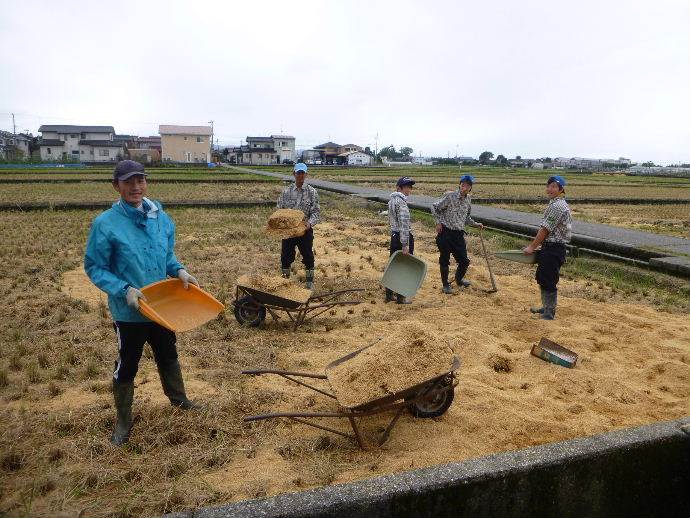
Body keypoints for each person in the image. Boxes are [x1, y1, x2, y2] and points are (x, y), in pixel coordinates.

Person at [84, 160, 200, 446]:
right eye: (128, 182)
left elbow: (167, 255)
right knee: (127, 364)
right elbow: (95, 267)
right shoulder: (106, 223)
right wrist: (124, 290)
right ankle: (123, 420)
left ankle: (179, 400)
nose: (136, 187)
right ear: (116, 186)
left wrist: (179, 270)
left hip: (162, 307)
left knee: (168, 353)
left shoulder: (159, 215)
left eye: (140, 180)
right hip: (130, 311)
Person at [522, 175, 572, 320]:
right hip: (550, 247)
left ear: (561, 189)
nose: (550, 189)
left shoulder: (558, 206)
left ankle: (549, 313)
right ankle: (546, 307)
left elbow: (545, 229)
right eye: (548, 186)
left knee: (549, 279)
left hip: (554, 247)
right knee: (543, 277)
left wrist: (531, 247)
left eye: (554, 187)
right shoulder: (555, 203)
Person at [431, 174, 484, 294]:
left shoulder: (468, 199)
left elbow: (466, 217)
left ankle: (459, 280)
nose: (464, 187)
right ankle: (445, 285)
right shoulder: (450, 196)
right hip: (445, 232)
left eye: (467, 186)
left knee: (464, 261)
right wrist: (438, 222)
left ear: (470, 188)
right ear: (459, 185)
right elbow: (435, 207)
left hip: (458, 234)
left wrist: (475, 224)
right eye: (463, 184)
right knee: (444, 259)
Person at [276, 162, 320, 289]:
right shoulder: (286, 192)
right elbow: (279, 209)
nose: (300, 175)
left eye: (302, 173)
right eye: (298, 173)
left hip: (304, 230)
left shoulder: (312, 192)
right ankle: (285, 281)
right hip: (289, 231)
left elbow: (316, 213)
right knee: (286, 256)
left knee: (308, 256)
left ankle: (310, 283)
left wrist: (309, 223)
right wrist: (282, 222)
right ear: (293, 174)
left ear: (306, 174)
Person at [387, 176, 415, 304]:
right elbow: (404, 224)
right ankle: (400, 297)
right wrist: (405, 244)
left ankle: (389, 295)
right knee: (403, 267)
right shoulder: (401, 202)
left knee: (393, 264)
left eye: (410, 187)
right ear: (399, 188)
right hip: (402, 236)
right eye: (407, 187)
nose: (409, 189)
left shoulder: (392, 200)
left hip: (394, 235)